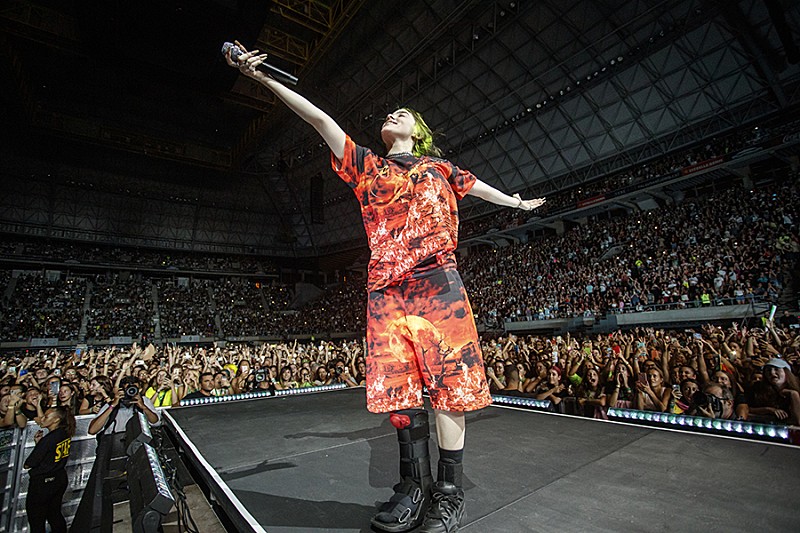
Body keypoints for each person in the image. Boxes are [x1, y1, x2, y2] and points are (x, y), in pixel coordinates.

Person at [226, 41, 545, 533]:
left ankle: (449, 495)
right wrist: (263, 79)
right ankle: (413, 486)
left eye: (404, 113)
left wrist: (517, 204)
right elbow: (320, 120)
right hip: (386, 292)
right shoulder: (367, 168)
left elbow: (480, 187)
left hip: (437, 283)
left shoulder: (440, 169)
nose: (393, 114)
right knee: (401, 394)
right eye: (390, 114)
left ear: (419, 133)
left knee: (450, 391)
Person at [23, 406, 76, 533]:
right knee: (54, 514)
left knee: (36, 520)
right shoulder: (64, 434)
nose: (42, 419)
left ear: (56, 420)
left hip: (43, 484)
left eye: (46, 417)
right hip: (59, 478)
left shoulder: (49, 439)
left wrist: (40, 446)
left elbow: (29, 463)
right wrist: (39, 444)